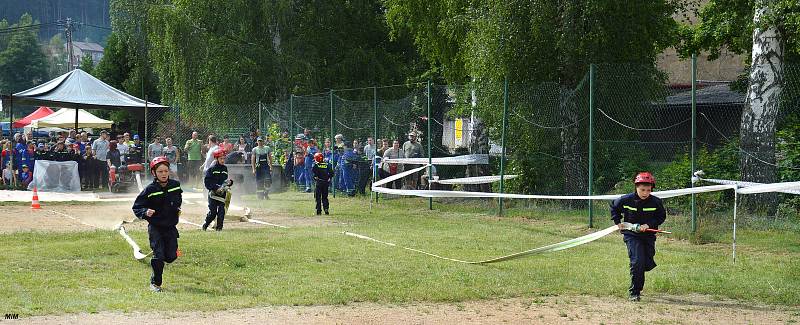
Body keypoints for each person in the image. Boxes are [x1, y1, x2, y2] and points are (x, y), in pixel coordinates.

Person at [609, 172, 666, 302]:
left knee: (647, 262)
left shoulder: (656, 202)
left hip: (648, 235)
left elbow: (661, 217)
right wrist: (617, 222)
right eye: (642, 190)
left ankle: (642, 267)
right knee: (637, 261)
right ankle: (635, 292)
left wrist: (649, 224)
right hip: (631, 235)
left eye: (648, 190)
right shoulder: (626, 199)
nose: (645, 193)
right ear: (636, 187)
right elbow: (614, 207)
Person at [132, 157, 183, 292]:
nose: (164, 174)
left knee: (171, 256)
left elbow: (178, 199)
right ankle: (155, 283)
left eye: (166, 171)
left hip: (171, 227)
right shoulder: (150, 190)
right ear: (154, 173)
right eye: (160, 171)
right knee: (158, 256)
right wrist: (145, 211)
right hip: (156, 228)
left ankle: (168, 255)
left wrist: (176, 209)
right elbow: (137, 207)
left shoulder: (175, 185)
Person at [203, 148, 232, 231]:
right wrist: (216, 188)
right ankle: (206, 224)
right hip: (213, 195)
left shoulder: (225, 169)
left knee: (221, 212)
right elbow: (207, 182)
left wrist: (229, 183)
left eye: (224, 158)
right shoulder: (211, 169)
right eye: (221, 158)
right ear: (216, 159)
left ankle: (219, 228)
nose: (223, 160)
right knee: (213, 213)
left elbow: (225, 181)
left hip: (222, 194)